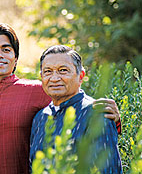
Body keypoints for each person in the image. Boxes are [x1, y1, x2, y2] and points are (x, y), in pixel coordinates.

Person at [0, 22, 121, 174]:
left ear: (15, 58)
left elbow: (72, 98)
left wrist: (109, 116)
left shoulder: (38, 90)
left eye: (6, 49)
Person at [29, 45, 122, 173]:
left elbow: (109, 169)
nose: (54, 78)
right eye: (48, 71)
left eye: (63, 70)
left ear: (81, 75)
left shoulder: (97, 113)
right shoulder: (40, 117)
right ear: (41, 77)